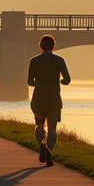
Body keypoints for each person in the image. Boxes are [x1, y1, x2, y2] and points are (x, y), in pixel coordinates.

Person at [27, 34, 71, 167]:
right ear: (53, 46)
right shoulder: (59, 60)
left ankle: (41, 144)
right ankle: (49, 151)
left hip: (38, 98)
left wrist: (40, 81)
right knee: (52, 128)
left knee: (39, 124)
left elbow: (30, 82)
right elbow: (67, 79)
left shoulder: (34, 61)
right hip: (54, 98)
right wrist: (60, 81)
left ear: (41, 46)